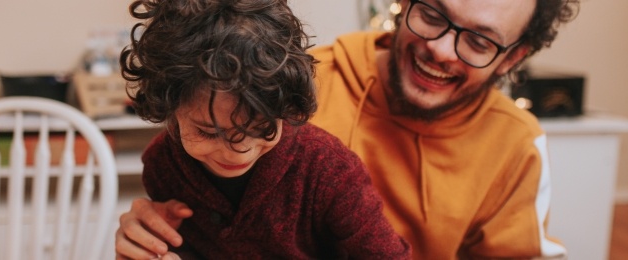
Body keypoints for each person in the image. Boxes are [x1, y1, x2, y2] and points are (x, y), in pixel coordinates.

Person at [115, 0, 581, 259]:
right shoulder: (292, 77)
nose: (441, 49)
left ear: (515, 56)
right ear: (403, 2)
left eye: (479, 40)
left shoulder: (515, 144)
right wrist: (149, 237)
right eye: (433, 15)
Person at [115, 0, 411, 259]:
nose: (239, 149)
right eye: (210, 132)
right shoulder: (162, 165)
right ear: (168, 106)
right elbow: (190, 247)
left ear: (287, 107)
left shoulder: (329, 169)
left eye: (262, 128)